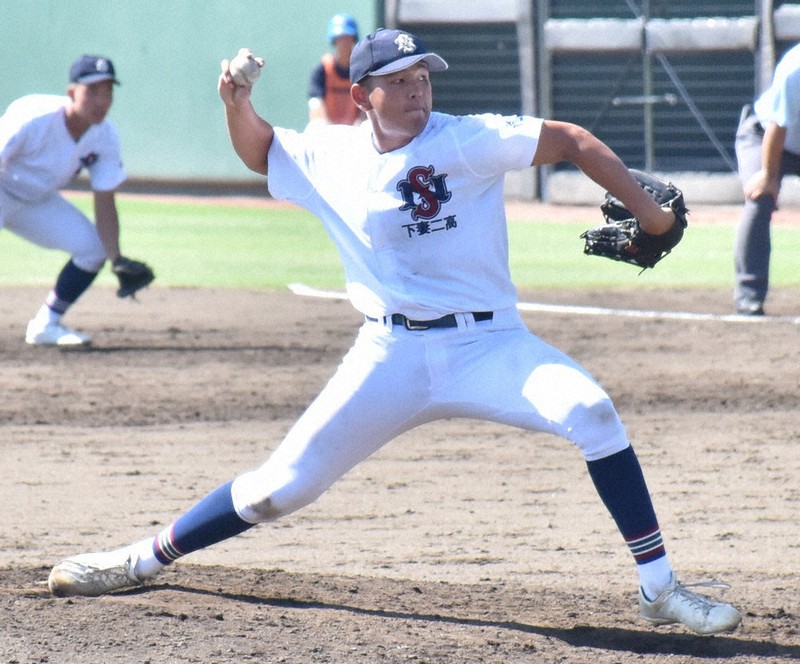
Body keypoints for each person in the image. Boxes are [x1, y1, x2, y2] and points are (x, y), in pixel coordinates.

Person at [47, 29, 742, 636]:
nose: (418, 91)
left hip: (490, 345)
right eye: (399, 83)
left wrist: (651, 216)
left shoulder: (465, 141)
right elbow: (262, 152)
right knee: (275, 492)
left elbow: (571, 140)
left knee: (591, 410)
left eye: (422, 79)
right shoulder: (330, 154)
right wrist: (236, 103)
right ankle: (140, 559)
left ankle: (660, 589)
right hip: (391, 354)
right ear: (361, 97)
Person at [0, 54, 146, 345]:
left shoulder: (105, 136)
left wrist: (115, 257)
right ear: (71, 92)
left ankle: (46, 325)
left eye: (107, 92)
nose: (100, 100)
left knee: (93, 249)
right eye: (92, 91)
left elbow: (105, 199)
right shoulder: (33, 116)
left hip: (38, 201)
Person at [734, 43, 800, 316]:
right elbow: (777, 125)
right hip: (765, 137)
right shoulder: (795, 67)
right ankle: (749, 298)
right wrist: (768, 175)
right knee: (760, 198)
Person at [307, 13, 364, 126]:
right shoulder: (323, 68)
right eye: (340, 39)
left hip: (356, 130)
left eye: (347, 38)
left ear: (353, 40)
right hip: (327, 128)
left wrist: (358, 127)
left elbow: (367, 105)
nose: (343, 43)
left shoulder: (361, 69)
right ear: (334, 41)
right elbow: (316, 103)